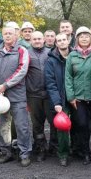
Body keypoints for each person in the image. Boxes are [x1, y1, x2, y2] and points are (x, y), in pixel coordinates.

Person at [0, 24, 32, 167]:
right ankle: (6, 153)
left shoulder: (22, 50)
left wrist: (5, 85)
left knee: (22, 126)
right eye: (5, 33)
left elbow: (22, 70)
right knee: (3, 126)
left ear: (16, 35)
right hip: (2, 96)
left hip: (17, 95)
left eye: (10, 33)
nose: (7, 36)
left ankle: (24, 154)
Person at [65, 27, 91, 165]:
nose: (84, 39)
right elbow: (68, 78)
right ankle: (85, 152)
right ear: (77, 39)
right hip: (78, 98)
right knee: (82, 125)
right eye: (81, 37)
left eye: (87, 36)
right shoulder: (72, 56)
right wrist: (71, 97)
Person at [25, 31, 52, 162]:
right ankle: (40, 148)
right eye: (34, 39)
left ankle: (54, 147)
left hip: (49, 94)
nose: (37, 41)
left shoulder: (51, 53)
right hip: (33, 94)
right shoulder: (26, 53)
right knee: (37, 124)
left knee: (53, 122)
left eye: (39, 39)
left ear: (44, 40)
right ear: (30, 40)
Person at [44, 33, 71, 167]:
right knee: (62, 127)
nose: (61, 42)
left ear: (68, 40)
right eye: (58, 40)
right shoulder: (51, 60)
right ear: (56, 43)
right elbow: (50, 83)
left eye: (63, 40)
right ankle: (63, 154)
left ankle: (80, 150)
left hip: (76, 97)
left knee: (82, 124)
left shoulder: (75, 56)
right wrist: (57, 103)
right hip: (61, 98)